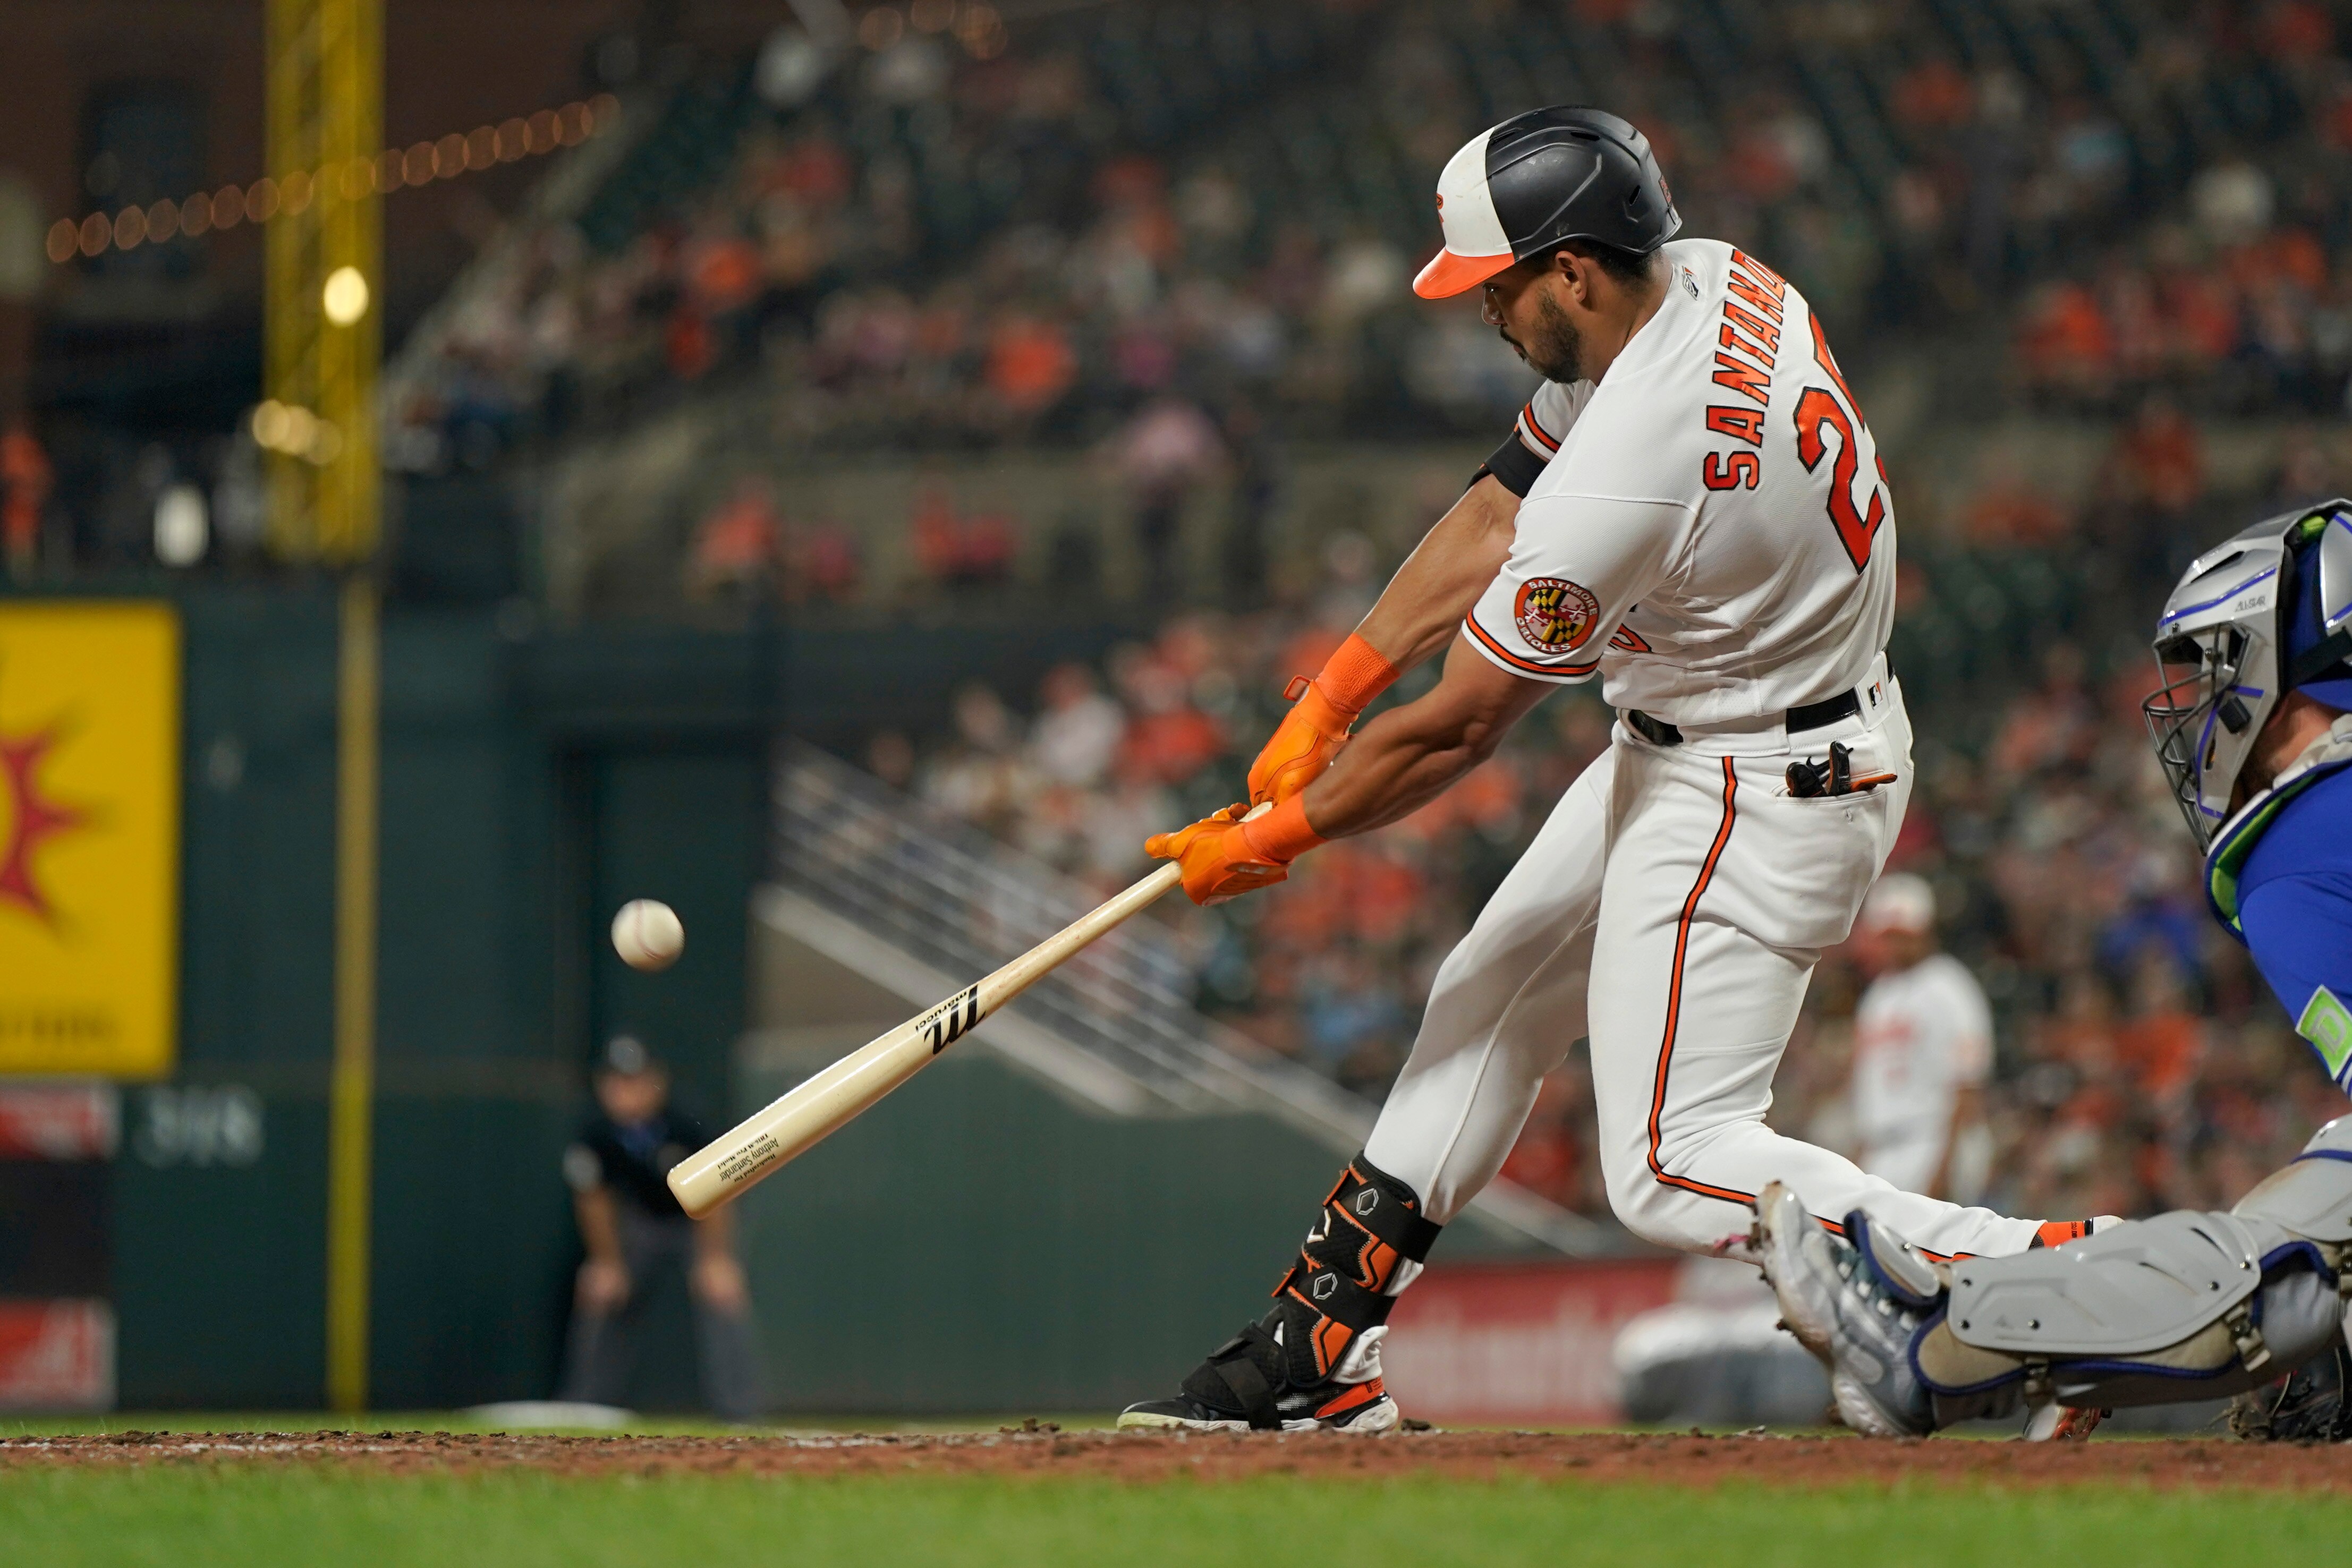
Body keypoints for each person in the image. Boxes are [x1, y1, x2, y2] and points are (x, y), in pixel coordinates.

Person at [1117, 106, 2092, 1437]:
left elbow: (1465, 723)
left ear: (1571, 268)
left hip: (1756, 778)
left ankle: (2074, 1290)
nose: (1487, 316)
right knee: (1486, 991)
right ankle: (1318, 1346)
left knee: (1669, 1162)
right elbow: (1500, 498)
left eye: (1499, 286)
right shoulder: (1708, 277)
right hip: (1718, 728)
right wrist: (1336, 687)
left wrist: (1280, 831)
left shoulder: (1640, 450)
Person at [1756, 499, 2352, 1441]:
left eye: (2213, 668)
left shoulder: (2298, 837)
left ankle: (1943, 1344)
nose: (2195, 709)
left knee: (2292, 1253)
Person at [561, 1034, 766, 1421]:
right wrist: (606, 1261)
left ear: (657, 1081)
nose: (627, 1093)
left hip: (696, 1221)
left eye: (636, 1081)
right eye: (617, 1082)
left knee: (722, 1296)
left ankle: (741, 1414)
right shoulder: (595, 1130)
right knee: (601, 1293)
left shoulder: (686, 1121)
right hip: (640, 1223)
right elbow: (594, 1199)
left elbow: (720, 1190)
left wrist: (716, 1259)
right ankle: (584, 1410)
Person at [1848, 874, 1994, 1203]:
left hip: (1930, 1141)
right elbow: (1868, 1086)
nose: (1894, 945)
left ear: (1924, 931)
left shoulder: (1950, 986)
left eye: (1902, 935)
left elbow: (1968, 1083)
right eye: (1887, 936)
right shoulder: (1877, 996)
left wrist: (1945, 1167)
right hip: (1883, 1148)